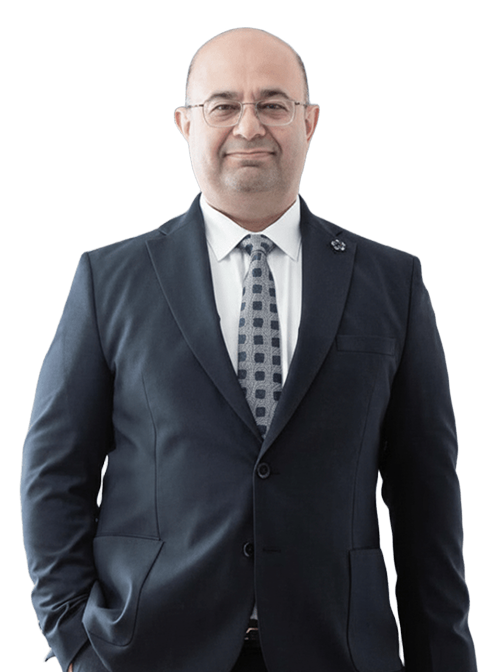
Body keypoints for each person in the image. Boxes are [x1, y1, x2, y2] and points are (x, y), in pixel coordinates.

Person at [21, 27, 477, 672]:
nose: (249, 125)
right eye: (223, 105)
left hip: (338, 651)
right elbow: (54, 474)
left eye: (273, 104)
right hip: (147, 652)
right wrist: (74, 643)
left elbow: (428, 496)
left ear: (308, 122)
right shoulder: (110, 280)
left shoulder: (390, 283)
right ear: (185, 123)